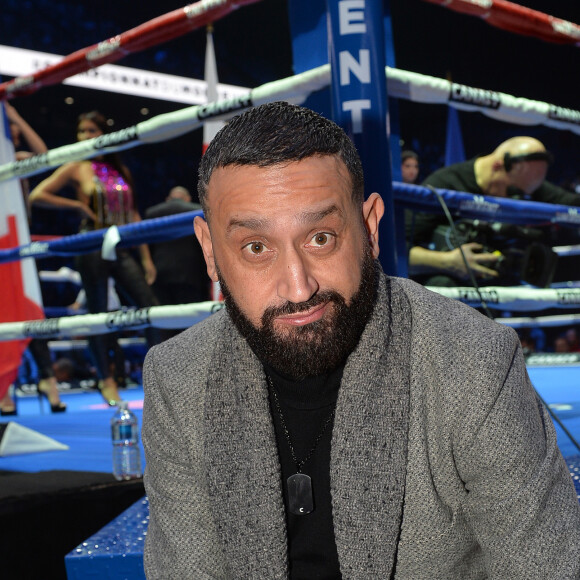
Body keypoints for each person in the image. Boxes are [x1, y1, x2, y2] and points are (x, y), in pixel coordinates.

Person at [142, 102, 580, 579]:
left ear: (369, 227)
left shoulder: (472, 362)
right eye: (256, 247)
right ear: (209, 251)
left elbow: (547, 566)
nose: (297, 286)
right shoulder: (177, 377)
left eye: (321, 238)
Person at [29, 111, 159, 405]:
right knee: (98, 313)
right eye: (81, 131)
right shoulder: (77, 166)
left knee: (151, 308)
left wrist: (146, 258)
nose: (86, 137)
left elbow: (134, 214)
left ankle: (158, 374)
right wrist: (77, 206)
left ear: (104, 134)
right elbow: (38, 194)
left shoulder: (119, 170)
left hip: (122, 246)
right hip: (92, 245)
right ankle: (106, 380)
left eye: (91, 131)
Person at [406, 136, 580, 287]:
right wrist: (447, 262)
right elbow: (394, 248)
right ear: (497, 166)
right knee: (443, 284)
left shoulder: (524, 181)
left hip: (490, 287)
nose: (516, 200)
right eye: (514, 192)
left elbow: (571, 204)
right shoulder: (444, 186)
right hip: (444, 292)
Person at [0, 104, 66, 416]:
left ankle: (49, 383)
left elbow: (43, 153)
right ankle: (6, 389)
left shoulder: (19, 160)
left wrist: (15, 116)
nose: (11, 131)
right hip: (4, 247)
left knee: (32, 314)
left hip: (21, 250)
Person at [145, 186, 210, 310]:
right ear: (187, 199)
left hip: (160, 272)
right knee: (191, 320)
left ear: (168, 199)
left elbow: (147, 245)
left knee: (165, 319)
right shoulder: (198, 212)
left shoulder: (152, 213)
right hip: (190, 274)